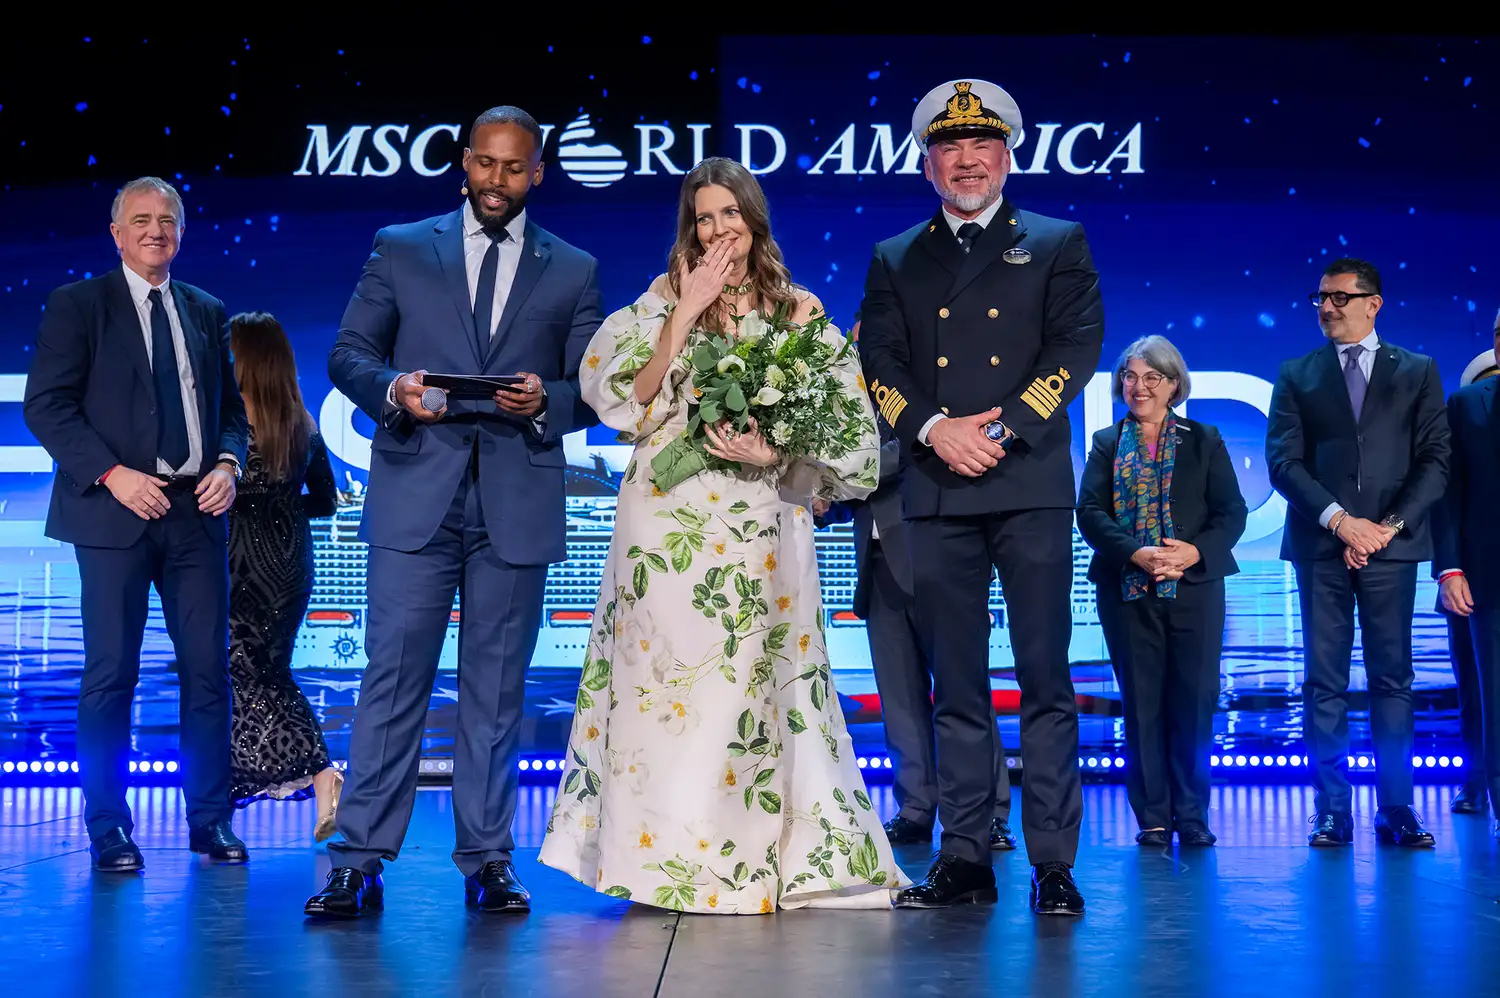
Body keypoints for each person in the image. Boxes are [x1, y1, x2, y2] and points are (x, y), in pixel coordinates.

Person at [539, 156, 901, 914]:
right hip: (665, 521)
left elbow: (850, 435)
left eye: (728, 215)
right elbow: (618, 399)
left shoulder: (798, 312)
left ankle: (752, 863)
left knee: (747, 683)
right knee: (667, 687)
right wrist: (684, 310)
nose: (716, 231)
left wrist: (773, 453)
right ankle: (663, 862)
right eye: (702, 218)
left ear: (753, 219)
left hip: (758, 522)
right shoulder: (660, 300)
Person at [308, 105, 603, 918]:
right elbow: (347, 354)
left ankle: (487, 859)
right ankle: (357, 857)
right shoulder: (402, 246)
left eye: (515, 168)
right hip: (416, 495)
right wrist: (394, 389)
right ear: (464, 163)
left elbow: (595, 389)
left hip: (515, 499)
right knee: (392, 680)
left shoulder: (572, 267)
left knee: (496, 693)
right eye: (485, 164)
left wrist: (550, 398)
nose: (497, 181)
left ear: (536, 173)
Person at [858, 79, 1104, 915]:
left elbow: (1076, 346)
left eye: (981, 145)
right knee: (955, 684)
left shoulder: (1057, 240)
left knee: (1043, 677)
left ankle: (1053, 862)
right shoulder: (896, 256)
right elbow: (879, 364)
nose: (966, 160)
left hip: (1026, 482)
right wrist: (934, 430)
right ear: (927, 163)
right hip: (933, 486)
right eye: (948, 147)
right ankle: (964, 856)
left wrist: (999, 430)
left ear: (1007, 155)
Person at [23, 176, 249, 871]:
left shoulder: (206, 309)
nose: (156, 230)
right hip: (112, 510)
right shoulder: (79, 304)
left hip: (193, 513)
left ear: (181, 232)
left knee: (209, 673)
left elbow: (232, 413)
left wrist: (229, 464)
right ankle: (108, 828)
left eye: (168, 220)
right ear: (117, 232)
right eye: (142, 220)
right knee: (111, 674)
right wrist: (113, 474)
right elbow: (47, 406)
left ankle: (211, 822)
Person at [1266, 258, 1449, 848]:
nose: (1327, 307)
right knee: (1325, 682)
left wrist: (1384, 529)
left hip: (1391, 551)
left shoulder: (1418, 371)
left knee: (1393, 680)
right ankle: (1331, 809)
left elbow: (1434, 462)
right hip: (1322, 548)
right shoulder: (1298, 372)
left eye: (1340, 298)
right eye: (1320, 297)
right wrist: (1343, 523)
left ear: (1374, 303)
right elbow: (1283, 463)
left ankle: (1397, 807)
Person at [820, 319, 1017, 852]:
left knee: (960, 688)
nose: (862, 352)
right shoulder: (847, 406)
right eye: (857, 345)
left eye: (871, 342)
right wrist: (822, 499)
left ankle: (989, 810)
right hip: (879, 563)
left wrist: (838, 474)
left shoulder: (933, 395)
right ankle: (915, 807)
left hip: (937, 557)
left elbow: (907, 457)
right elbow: (848, 484)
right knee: (900, 696)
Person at [1076, 336, 1247, 848]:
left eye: (1153, 377)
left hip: (1194, 586)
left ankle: (1192, 814)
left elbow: (1230, 513)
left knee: (1193, 701)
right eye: (1130, 376)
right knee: (1142, 703)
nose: (1139, 386)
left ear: (1174, 384)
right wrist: (1137, 554)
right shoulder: (1108, 443)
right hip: (1127, 589)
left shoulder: (1204, 439)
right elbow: (1091, 514)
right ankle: (1152, 816)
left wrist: (1191, 553)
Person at [224, 311, 342, 840]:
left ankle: (313, 772)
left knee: (240, 676)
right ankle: (310, 779)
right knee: (267, 673)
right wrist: (283, 506)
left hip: (238, 564)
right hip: (291, 568)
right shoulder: (301, 422)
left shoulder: (227, 423)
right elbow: (326, 501)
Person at [1432, 316, 1500, 832]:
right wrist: (1449, 568)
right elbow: (1447, 497)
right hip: (1482, 577)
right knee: (1484, 689)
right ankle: (1483, 784)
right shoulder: (1468, 406)